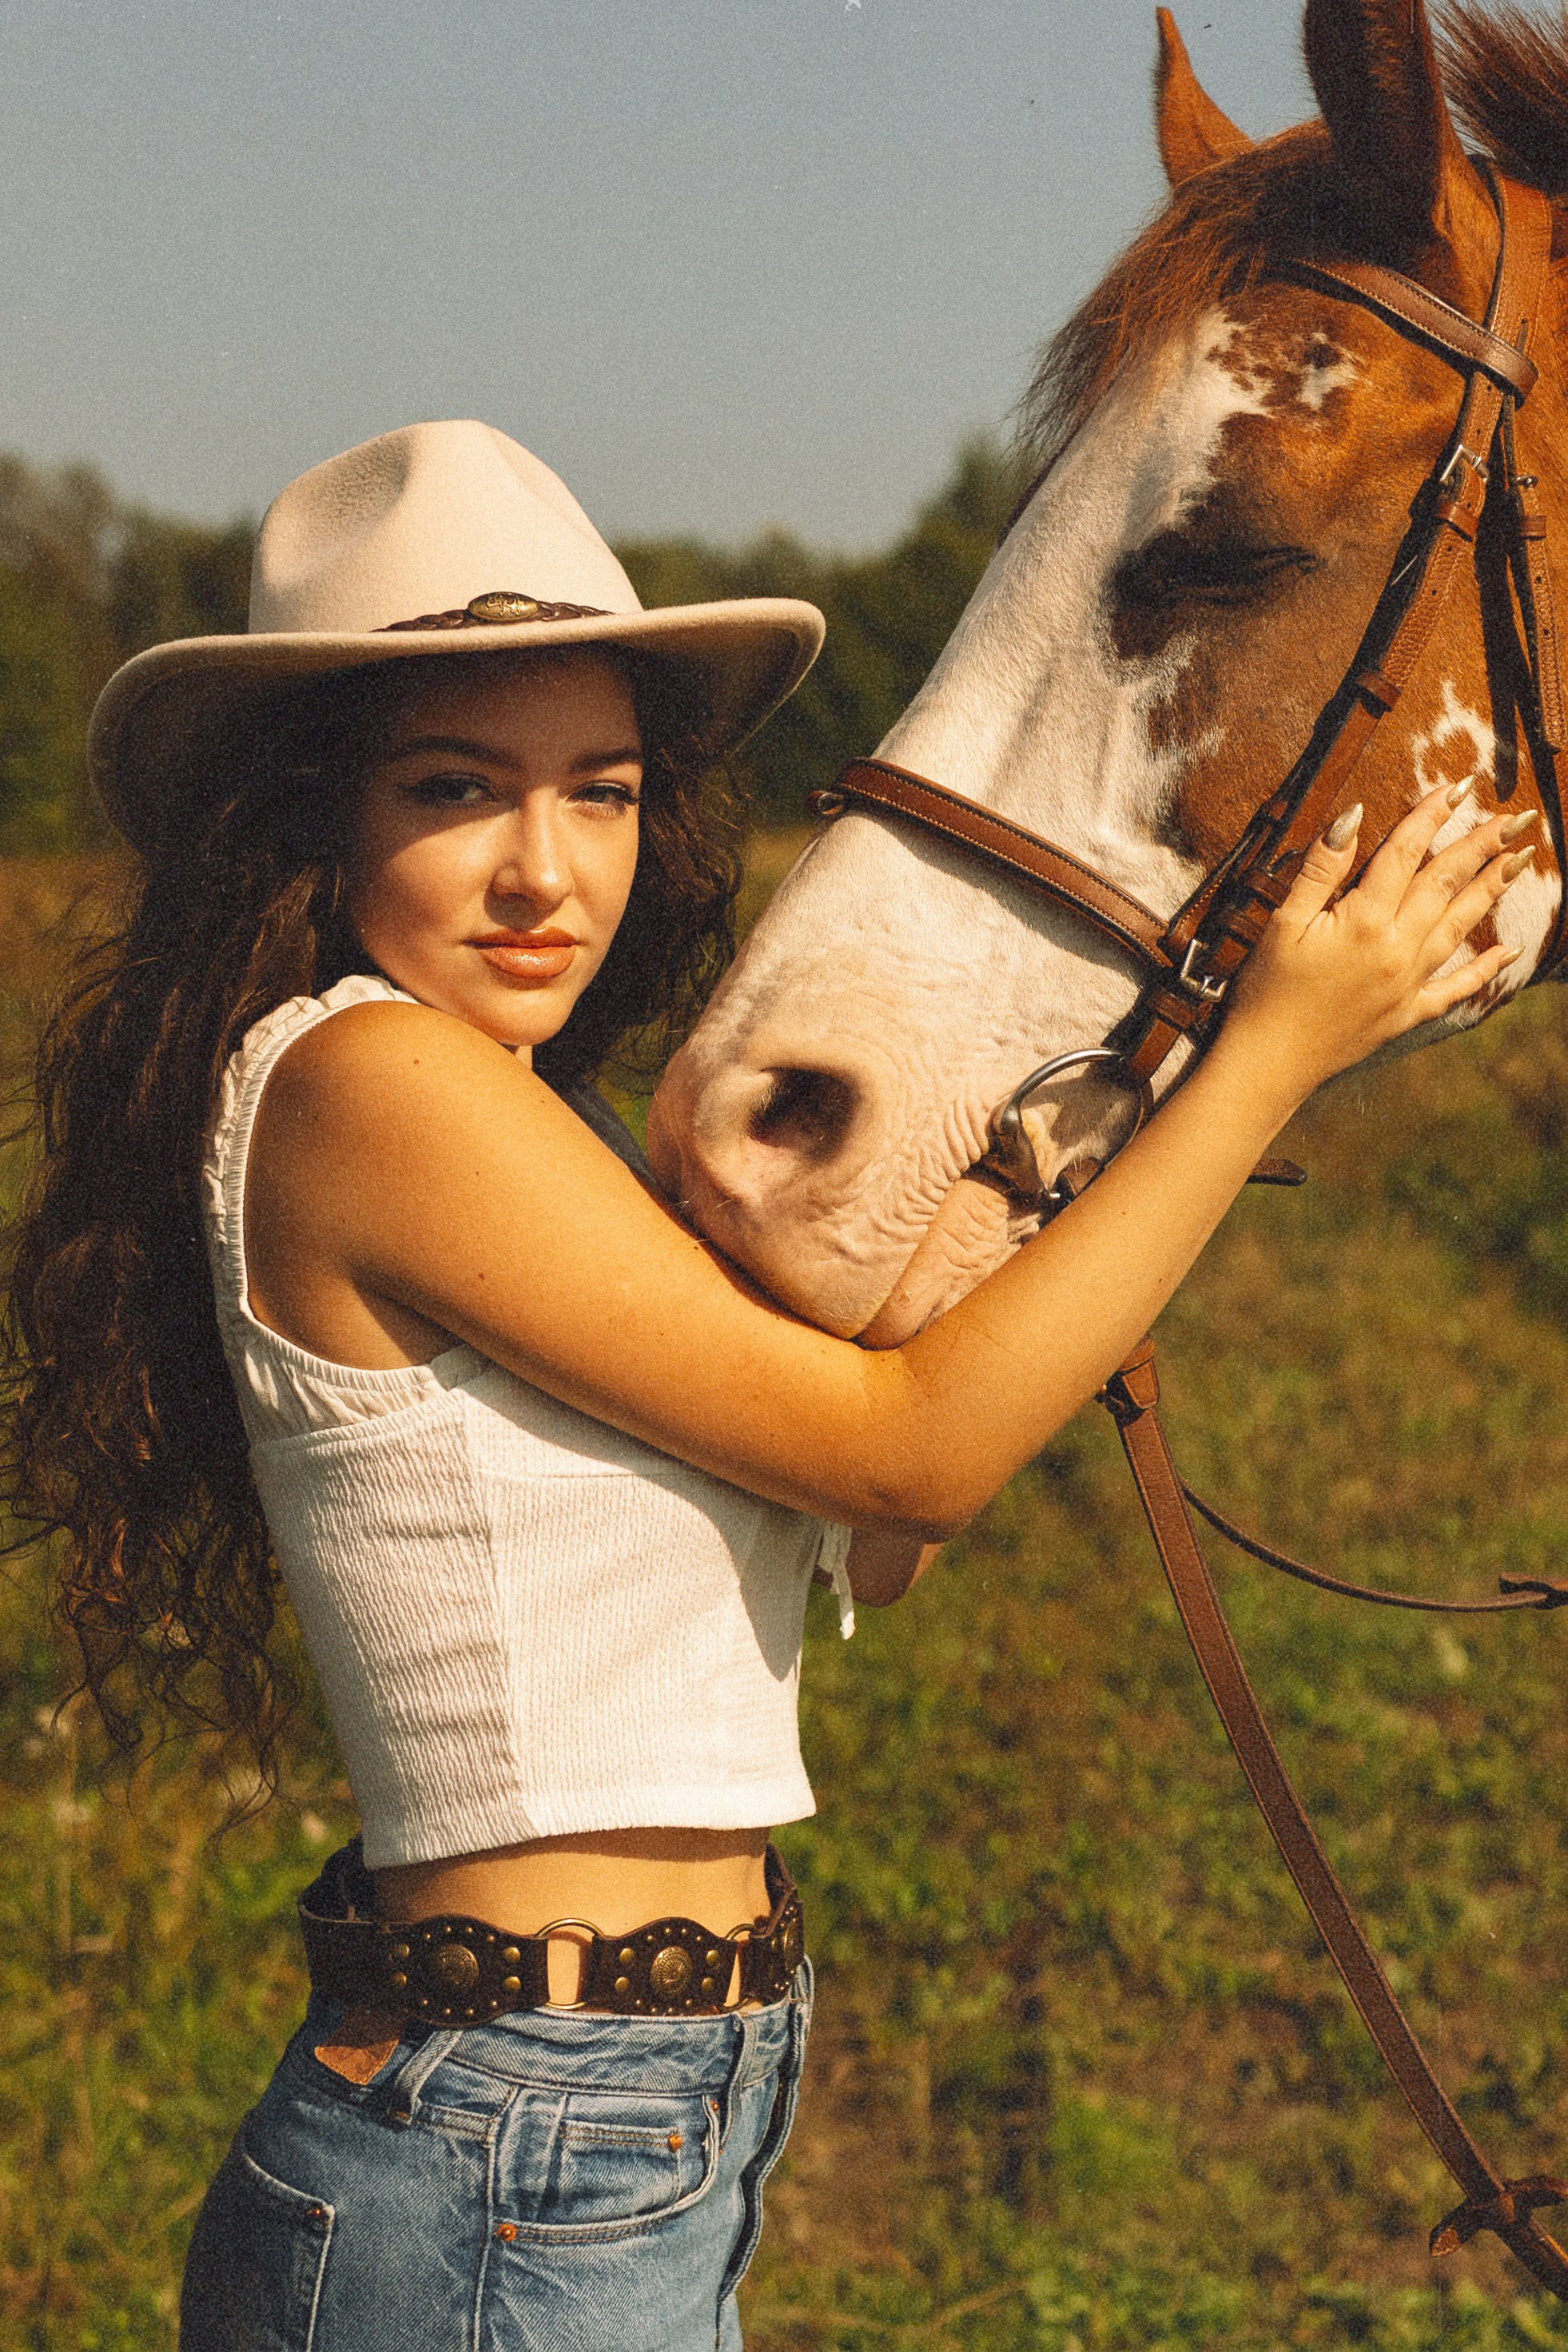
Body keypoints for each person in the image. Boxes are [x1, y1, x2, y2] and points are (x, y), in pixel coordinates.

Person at [4, 419, 1533, 2352]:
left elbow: (862, 1540)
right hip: (517, 2138)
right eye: (457, 787)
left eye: (606, 789)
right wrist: (1272, 1058)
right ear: (321, 814)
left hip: (605, 2120)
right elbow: (914, 1461)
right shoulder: (367, 1085)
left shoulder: (529, 1130)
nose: (546, 869)